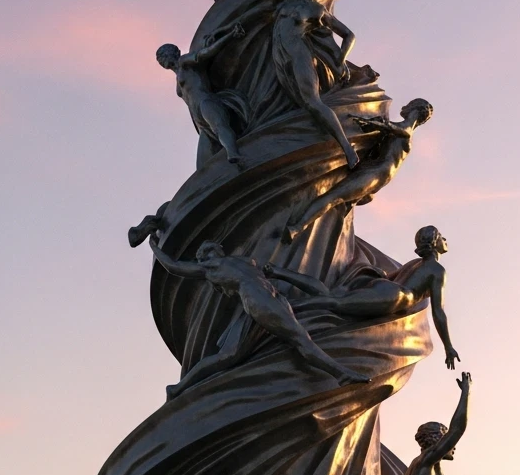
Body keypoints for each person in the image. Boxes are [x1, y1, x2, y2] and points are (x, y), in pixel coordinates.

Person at [148, 235, 368, 399]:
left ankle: (177, 388)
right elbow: (173, 266)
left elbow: (275, 273)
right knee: (300, 338)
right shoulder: (210, 268)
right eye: (205, 251)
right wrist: (154, 246)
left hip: (268, 298)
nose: (208, 250)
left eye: (210, 247)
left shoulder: (244, 262)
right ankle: (340, 373)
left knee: (229, 356)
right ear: (204, 256)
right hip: (257, 300)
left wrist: (278, 273)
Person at [264, 225, 461, 369]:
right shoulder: (437, 270)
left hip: (384, 288)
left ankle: (278, 272)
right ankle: (290, 305)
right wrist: (448, 346)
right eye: (442, 237)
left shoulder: (414, 263)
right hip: (394, 297)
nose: (446, 240)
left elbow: (388, 276)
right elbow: (438, 311)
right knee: (334, 303)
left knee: (330, 296)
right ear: (435, 242)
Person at [282, 99, 432, 242]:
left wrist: (378, 123)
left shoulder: (405, 130)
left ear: (416, 110)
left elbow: (398, 128)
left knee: (334, 197)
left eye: (410, 104)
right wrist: (371, 124)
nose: (405, 106)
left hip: (377, 173)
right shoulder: (398, 130)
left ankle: (297, 227)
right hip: (373, 170)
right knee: (340, 204)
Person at [272, 0, 358, 168]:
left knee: (312, 101)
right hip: (280, 57)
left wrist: (341, 59)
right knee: (295, 104)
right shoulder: (288, 1)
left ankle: (347, 147)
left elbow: (348, 35)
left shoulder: (317, 9)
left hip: (299, 54)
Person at [156, 24, 248, 167]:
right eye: (159, 58)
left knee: (220, 127)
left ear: (174, 52)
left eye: (163, 54)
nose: (161, 59)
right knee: (203, 160)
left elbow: (206, 53)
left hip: (207, 102)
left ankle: (235, 154)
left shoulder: (184, 62)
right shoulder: (177, 76)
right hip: (198, 118)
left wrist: (230, 35)